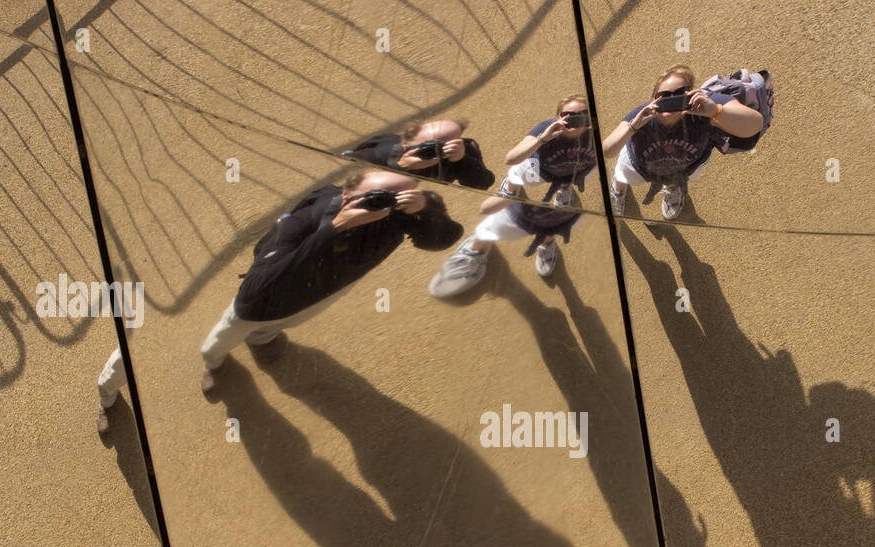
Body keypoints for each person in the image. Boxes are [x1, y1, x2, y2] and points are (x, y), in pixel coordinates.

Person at [198, 167, 462, 390]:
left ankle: (261, 340)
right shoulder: (301, 223)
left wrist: (426, 209)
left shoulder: (397, 214)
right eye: (377, 197)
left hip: (324, 291)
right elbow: (255, 289)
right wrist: (337, 228)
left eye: (398, 198)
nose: (386, 205)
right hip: (260, 303)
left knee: (291, 319)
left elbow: (443, 239)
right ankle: (213, 363)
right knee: (226, 334)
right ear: (346, 195)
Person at [427, 95, 596, 297]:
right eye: (567, 115)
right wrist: (544, 138)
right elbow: (511, 158)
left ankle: (561, 197)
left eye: (581, 115)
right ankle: (511, 189)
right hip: (538, 169)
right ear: (557, 117)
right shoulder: (547, 128)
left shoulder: (593, 137)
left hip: (566, 171)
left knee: (556, 212)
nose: (574, 119)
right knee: (519, 173)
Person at [602, 64, 765, 220]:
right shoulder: (643, 114)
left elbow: (755, 125)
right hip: (637, 165)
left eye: (681, 93)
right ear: (653, 98)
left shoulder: (705, 104)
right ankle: (618, 190)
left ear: (692, 93)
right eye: (664, 96)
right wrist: (633, 126)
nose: (672, 99)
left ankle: (673, 187)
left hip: (687, 166)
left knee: (676, 178)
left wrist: (715, 111)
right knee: (622, 175)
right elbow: (608, 151)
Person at [342, 118, 495, 190]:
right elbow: (354, 164)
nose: (436, 151)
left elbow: (484, 183)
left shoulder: (463, 152)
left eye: (444, 145)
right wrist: (401, 166)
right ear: (405, 141)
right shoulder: (383, 150)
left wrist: (462, 160)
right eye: (429, 144)